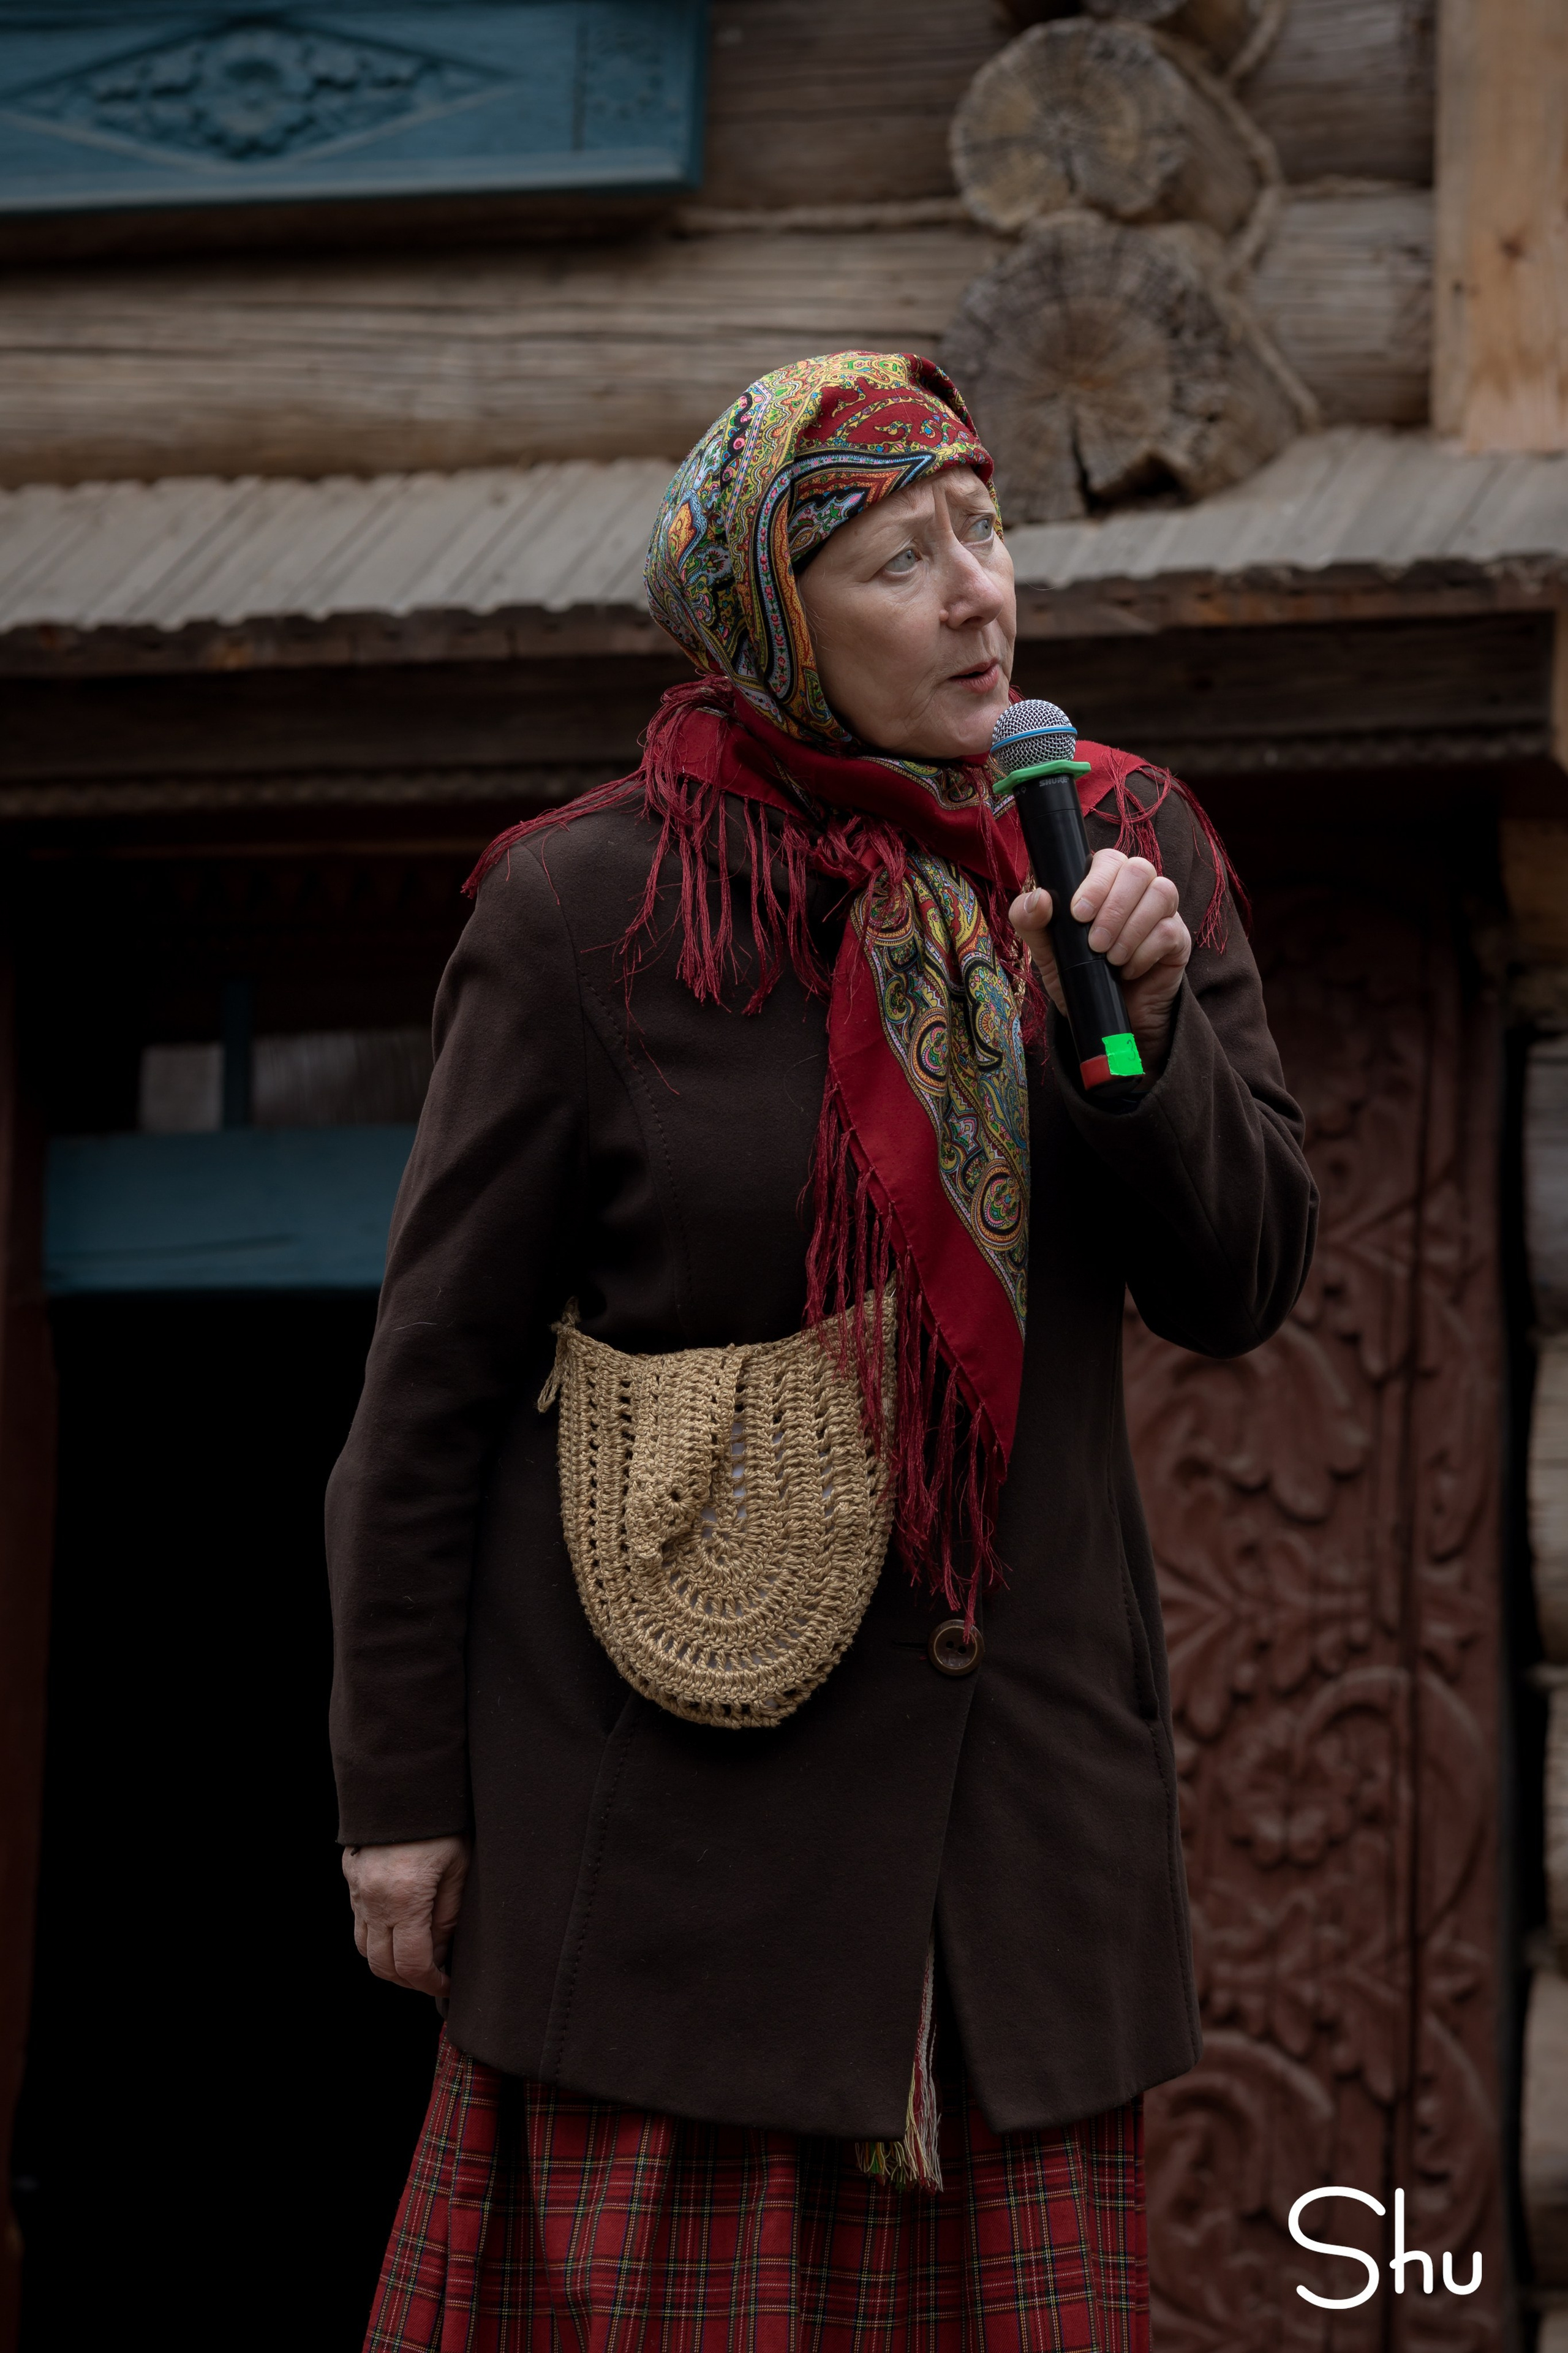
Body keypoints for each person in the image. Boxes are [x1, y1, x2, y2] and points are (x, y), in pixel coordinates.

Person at [327, 350, 1316, 2350]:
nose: (978, 591)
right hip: (679, 1847)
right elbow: (424, 1402)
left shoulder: (1117, 848)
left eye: (984, 528)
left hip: (1017, 1854)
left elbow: (1243, 1276)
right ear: (772, 615)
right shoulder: (586, 908)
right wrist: (395, 1798)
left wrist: (1131, 1042)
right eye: (895, 555)